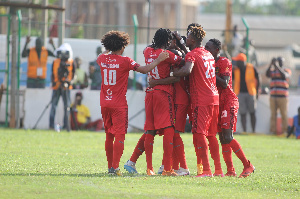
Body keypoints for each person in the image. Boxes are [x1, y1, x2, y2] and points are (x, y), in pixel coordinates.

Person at [97, 30, 169, 176]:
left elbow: (105, 53)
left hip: (104, 103)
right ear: (123, 46)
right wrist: (159, 60)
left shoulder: (101, 59)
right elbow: (144, 69)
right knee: (120, 136)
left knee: (109, 136)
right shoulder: (126, 61)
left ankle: (110, 167)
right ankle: (115, 168)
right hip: (118, 105)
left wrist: (109, 46)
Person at [124, 30, 188, 176]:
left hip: (150, 93)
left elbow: (152, 51)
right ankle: (167, 168)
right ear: (167, 41)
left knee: (150, 130)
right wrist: (179, 50)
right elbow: (185, 62)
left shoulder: (147, 51)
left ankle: (149, 168)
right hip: (164, 93)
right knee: (169, 129)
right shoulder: (167, 55)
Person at [173, 25, 219, 177]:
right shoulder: (208, 54)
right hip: (214, 98)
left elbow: (187, 70)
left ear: (192, 39)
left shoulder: (192, 55)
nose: (186, 37)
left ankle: (206, 170)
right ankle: (216, 170)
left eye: (188, 35)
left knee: (199, 134)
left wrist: (174, 72)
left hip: (202, 98)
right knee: (209, 134)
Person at [205, 38, 255, 178]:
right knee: (222, 138)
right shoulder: (208, 62)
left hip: (228, 102)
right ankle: (230, 170)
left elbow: (225, 83)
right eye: (205, 47)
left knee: (227, 136)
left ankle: (247, 165)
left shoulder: (224, 62)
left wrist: (210, 73)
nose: (206, 50)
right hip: (217, 103)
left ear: (217, 50)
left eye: (208, 48)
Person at [49, 43, 75, 131]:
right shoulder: (55, 62)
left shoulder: (71, 62)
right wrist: (54, 82)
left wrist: (69, 82)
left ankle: (66, 126)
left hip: (66, 87)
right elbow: (52, 74)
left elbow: (74, 75)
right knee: (53, 106)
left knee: (67, 106)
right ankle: (51, 125)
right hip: (56, 87)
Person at [232, 53, 260, 133]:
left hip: (251, 93)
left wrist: (257, 92)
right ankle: (244, 131)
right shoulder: (235, 70)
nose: (236, 63)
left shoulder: (252, 67)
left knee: (252, 112)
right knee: (242, 113)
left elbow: (258, 79)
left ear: (242, 61)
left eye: (237, 61)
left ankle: (253, 131)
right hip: (240, 94)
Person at [266, 57, 291, 135]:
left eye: (280, 62)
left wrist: (278, 67)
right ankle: (273, 131)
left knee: (284, 114)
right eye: (278, 61)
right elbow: (267, 74)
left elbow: (284, 76)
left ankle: (285, 131)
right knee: (273, 114)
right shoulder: (273, 71)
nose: (279, 63)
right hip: (273, 96)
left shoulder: (287, 70)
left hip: (283, 97)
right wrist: (271, 64)